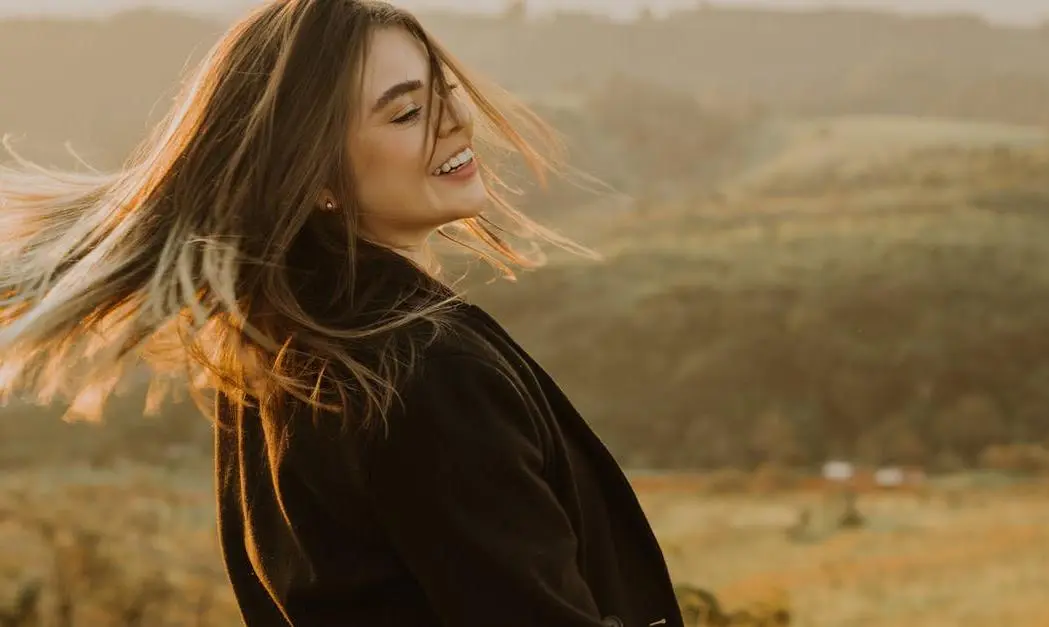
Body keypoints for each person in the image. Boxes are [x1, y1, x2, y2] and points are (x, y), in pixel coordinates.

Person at [0, 1, 683, 626]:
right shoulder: (421, 373)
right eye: (405, 112)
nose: (454, 119)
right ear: (319, 177)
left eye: (442, 91)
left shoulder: (288, 354)